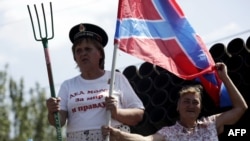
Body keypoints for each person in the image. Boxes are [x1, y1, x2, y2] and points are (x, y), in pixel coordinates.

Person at [46, 23, 145, 141]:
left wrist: (117, 112)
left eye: (88, 49)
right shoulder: (68, 85)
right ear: (75, 57)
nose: (83, 53)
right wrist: (52, 112)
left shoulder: (116, 78)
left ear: (100, 54)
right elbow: (58, 122)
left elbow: (138, 114)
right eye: (78, 51)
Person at [102, 62, 248, 141]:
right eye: (186, 101)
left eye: (195, 102)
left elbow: (240, 109)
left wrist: (225, 78)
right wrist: (119, 134)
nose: (191, 105)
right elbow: (145, 140)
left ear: (200, 107)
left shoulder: (210, 124)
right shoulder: (169, 133)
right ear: (178, 106)